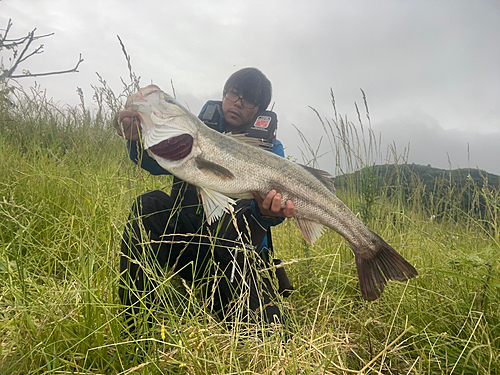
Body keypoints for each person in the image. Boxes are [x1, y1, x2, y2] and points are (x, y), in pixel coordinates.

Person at [115, 68, 294, 332]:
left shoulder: (271, 151)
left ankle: (234, 296)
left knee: (268, 334)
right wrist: (134, 139)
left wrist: (269, 213)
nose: (238, 103)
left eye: (249, 100)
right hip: (188, 244)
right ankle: (137, 325)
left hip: (237, 255)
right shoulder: (191, 131)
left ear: (259, 110)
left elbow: (277, 213)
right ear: (224, 94)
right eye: (234, 93)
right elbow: (154, 162)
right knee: (149, 204)